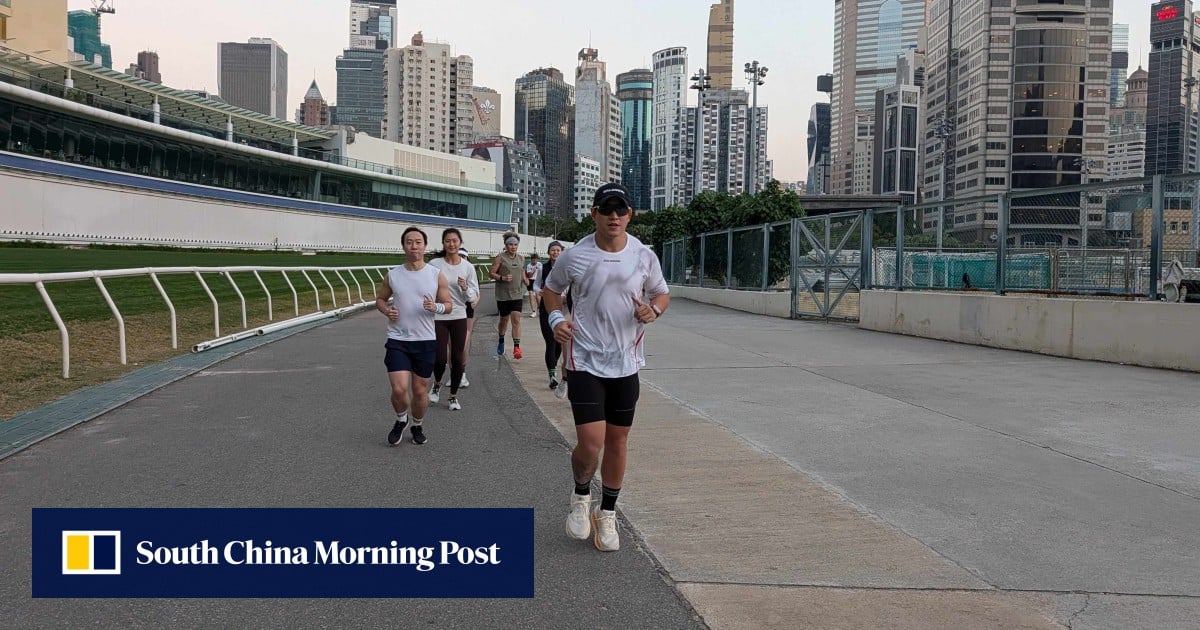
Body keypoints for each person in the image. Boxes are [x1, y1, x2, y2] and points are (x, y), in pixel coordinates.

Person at [542, 183, 670, 552]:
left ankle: (607, 512)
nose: (614, 216)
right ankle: (581, 495)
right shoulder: (575, 256)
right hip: (585, 359)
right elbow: (551, 290)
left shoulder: (643, 256)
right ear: (594, 213)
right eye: (607, 209)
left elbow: (661, 293)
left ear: (630, 215)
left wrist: (654, 310)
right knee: (590, 443)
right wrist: (555, 319)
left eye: (621, 209)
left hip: (626, 362)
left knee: (617, 441)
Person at [377, 226, 453, 446]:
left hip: (425, 341)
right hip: (398, 339)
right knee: (399, 389)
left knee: (420, 392)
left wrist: (435, 307)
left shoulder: (435, 275)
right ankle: (401, 419)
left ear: (424, 246)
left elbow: (448, 305)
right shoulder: (393, 275)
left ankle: (417, 425)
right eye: (409, 242)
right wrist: (387, 310)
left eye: (418, 242)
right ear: (403, 246)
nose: (414, 246)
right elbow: (380, 299)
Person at [429, 228, 479, 411]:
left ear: (460, 243)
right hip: (439, 314)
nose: (451, 244)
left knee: (457, 358)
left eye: (455, 241)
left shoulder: (467, 267)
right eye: (448, 241)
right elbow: (425, 287)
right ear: (443, 243)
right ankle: (437, 384)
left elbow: (473, 296)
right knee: (439, 358)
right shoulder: (434, 264)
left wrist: (465, 288)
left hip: (459, 314)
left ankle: (453, 397)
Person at [533, 241, 565, 390]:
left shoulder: (566, 268)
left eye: (558, 250)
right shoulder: (542, 268)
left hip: (562, 309)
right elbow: (535, 284)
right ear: (548, 252)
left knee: (559, 343)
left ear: (562, 252)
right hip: (546, 309)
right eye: (553, 250)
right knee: (550, 341)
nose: (555, 253)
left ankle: (553, 364)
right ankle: (552, 375)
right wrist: (539, 291)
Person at [489, 233, 526, 360]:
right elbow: (491, 273)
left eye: (515, 244)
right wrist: (502, 278)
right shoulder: (500, 258)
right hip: (503, 295)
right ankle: (501, 340)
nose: (513, 247)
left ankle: (517, 347)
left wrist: (525, 279)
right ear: (506, 245)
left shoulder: (521, 258)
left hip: (517, 294)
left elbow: (521, 272)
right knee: (504, 320)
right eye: (510, 244)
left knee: (516, 319)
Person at [525, 253, 543, 318]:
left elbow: (542, 273)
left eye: (535, 260)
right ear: (531, 260)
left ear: (537, 260)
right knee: (531, 294)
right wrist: (533, 270)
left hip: (538, 281)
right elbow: (529, 276)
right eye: (533, 260)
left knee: (538, 296)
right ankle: (533, 311)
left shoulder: (540, 264)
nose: (534, 261)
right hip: (531, 280)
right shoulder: (529, 265)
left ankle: (540, 309)